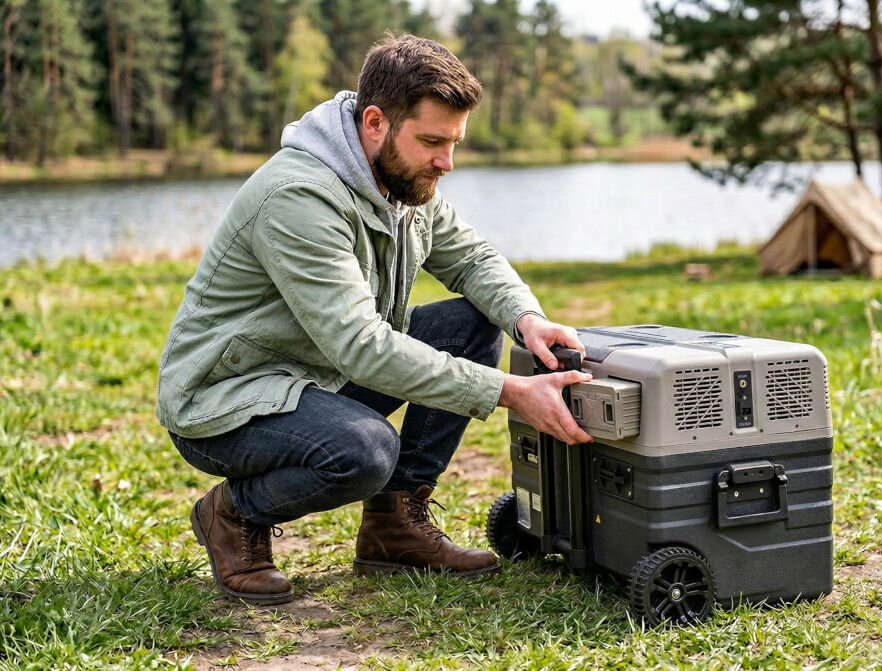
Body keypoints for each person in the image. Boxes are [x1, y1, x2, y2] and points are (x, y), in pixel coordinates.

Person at [156, 34, 593, 606]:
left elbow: (470, 257)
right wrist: (511, 391)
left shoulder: (403, 181)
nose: (447, 162)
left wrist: (527, 319)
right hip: (228, 402)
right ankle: (233, 514)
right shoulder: (298, 197)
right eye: (433, 141)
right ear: (374, 123)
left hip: (317, 376)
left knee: (474, 323)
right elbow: (362, 346)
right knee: (363, 452)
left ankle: (394, 528)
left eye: (455, 142)